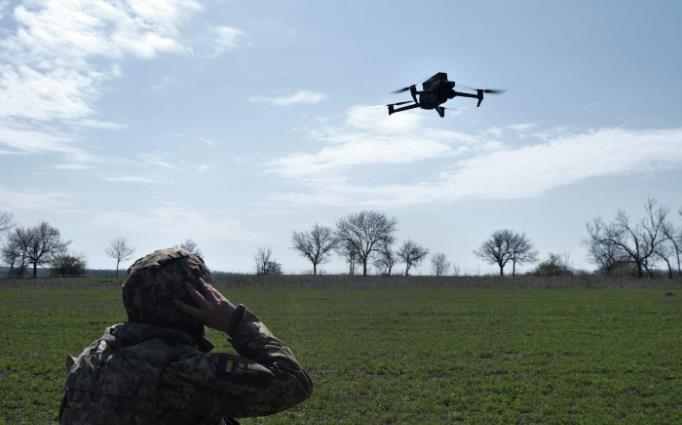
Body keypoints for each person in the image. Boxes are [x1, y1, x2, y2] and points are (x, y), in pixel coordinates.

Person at [59, 247, 313, 425]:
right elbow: (293, 382)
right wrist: (236, 321)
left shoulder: (93, 358)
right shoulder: (182, 371)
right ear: (199, 300)